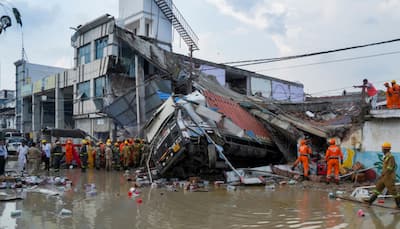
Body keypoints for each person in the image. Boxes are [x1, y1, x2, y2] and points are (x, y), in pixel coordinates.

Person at [365, 142, 400, 208]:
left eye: (382, 148)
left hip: (389, 178)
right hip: (384, 177)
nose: (382, 150)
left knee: (393, 191)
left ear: (385, 149)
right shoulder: (386, 156)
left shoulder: (391, 157)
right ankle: (370, 201)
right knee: (377, 189)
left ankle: (398, 205)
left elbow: (390, 167)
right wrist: (383, 175)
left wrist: (384, 173)